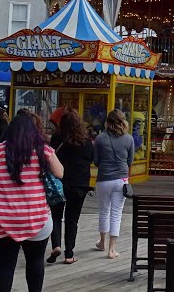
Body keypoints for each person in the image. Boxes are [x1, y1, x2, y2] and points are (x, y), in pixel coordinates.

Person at [0, 114, 64, 292]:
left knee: (5, 265)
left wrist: (0, 188)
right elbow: (60, 172)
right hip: (35, 217)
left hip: (1, 217)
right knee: (35, 261)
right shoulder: (42, 150)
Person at [47, 109, 94, 264]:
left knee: (56, 216)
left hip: (58, 182)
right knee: (72, 220)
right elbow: (91, 158)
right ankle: (69, 254)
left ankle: (56, 245)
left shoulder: (57, 137)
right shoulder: (85, 139)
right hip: (79, 184)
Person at [93, 109, 135, 258]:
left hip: (103, 179)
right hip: (121, 180)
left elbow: (96, 160)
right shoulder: (129, 139)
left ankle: (102, 242)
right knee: (116, 214)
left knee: (104, 211)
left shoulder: (100, 138)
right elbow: (130, 161)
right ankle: (112, 249)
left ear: (107, 122)